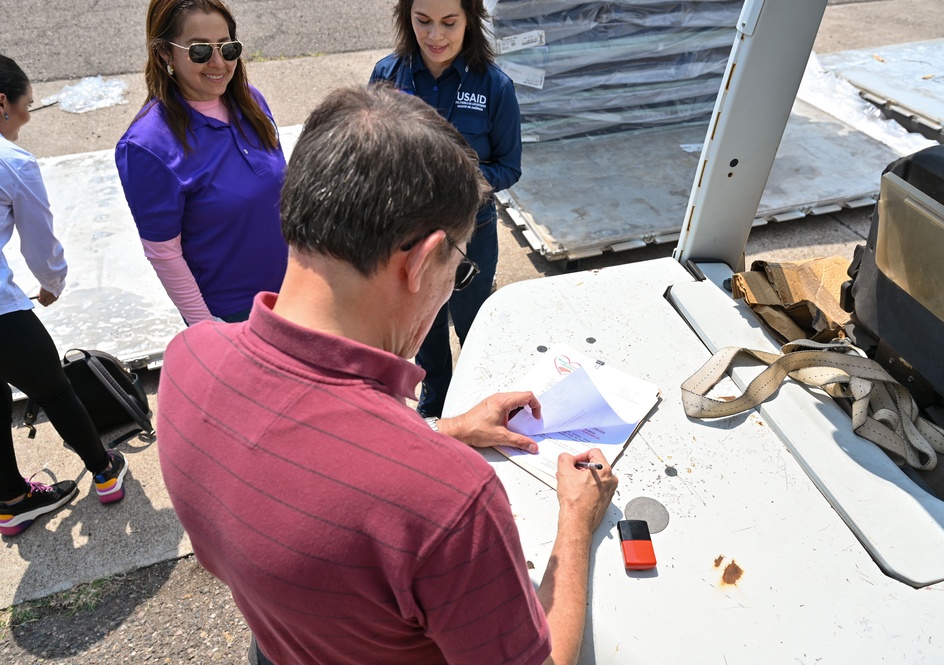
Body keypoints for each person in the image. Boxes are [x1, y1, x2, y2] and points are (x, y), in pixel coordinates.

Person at [157, 85, 616, 665]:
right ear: (423, 261)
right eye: (460, 265)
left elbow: (303, 462)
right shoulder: (451, 500)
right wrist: (576, 525)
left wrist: (443, 431)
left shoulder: (189, 359)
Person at [370, 0, 523, 418]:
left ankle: (480, 405)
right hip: (409, 235)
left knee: (474, 322)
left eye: (449, 23)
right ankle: (436, 406)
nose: (435, 36)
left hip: (471, 233)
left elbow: (509, 168)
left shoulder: (495, 87)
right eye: (423, 22)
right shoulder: (387, 76)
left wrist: (455, 184)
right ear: (407, 19)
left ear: (470, 21)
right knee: (426, 328)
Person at [0, 55, 128, 536]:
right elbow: (40, 241)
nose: (29, 117)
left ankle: (11, 502)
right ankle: (105, 470)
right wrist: (52, 285)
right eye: (26, 105)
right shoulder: (10, 161)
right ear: (2, 104)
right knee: (53, 387)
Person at [116, 0, 287, 325]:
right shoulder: (147, 146)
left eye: (228, 48)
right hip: (233, 314)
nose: (219, 63)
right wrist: (205, 328)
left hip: (294, 294)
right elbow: (164, 253)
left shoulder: (251, 100)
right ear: (165, 52)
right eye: (200, 51)